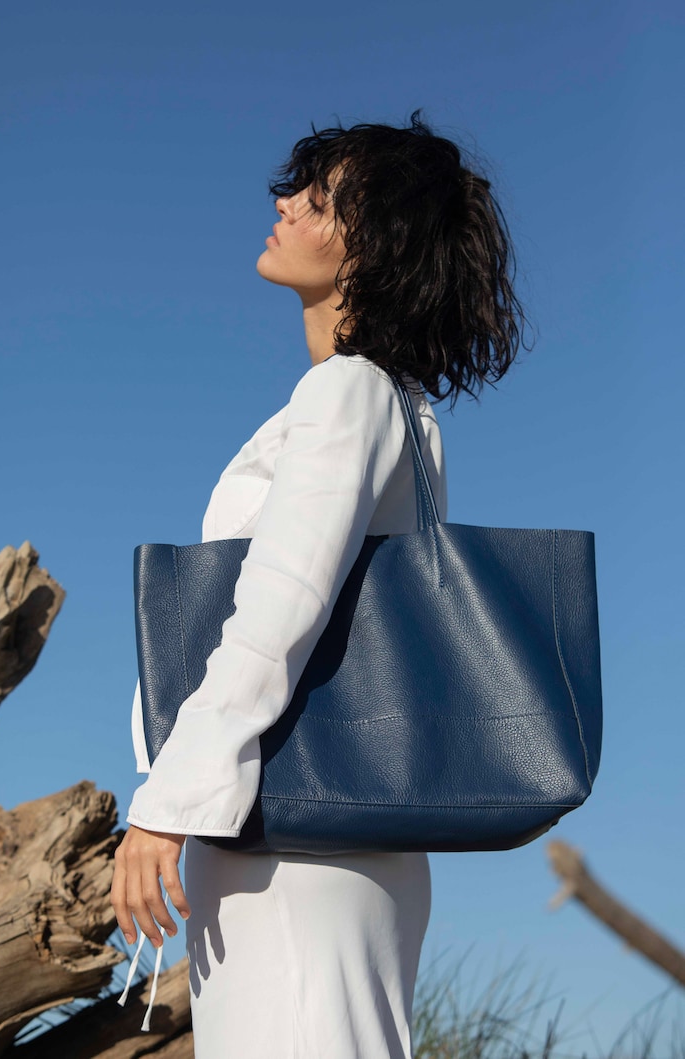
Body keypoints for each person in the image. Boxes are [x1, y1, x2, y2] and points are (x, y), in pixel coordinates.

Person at [111, 111, 527, 1058]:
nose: (282, 204)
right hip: (343, 832)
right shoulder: (403, 412)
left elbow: (275, 608)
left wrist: (167, 804)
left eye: (318, 199)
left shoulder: (347, 393)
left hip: (288, 840)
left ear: (372, 248)